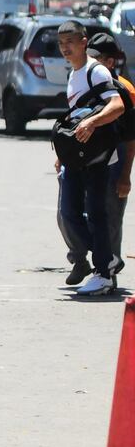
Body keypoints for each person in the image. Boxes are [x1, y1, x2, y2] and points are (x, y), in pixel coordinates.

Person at [54, 20, 125, 296]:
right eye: (61, 44)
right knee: (69, 213)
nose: (64, 48)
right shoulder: (74, 73)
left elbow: (117, 105)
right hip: (77, 157)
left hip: (97, 157)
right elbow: (74, 119)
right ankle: (106, 258)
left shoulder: (96, 72)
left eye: (69, 42)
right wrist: (63, 154)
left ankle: (104, 273)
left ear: (84, 42)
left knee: (96, 214)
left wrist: (92, 122)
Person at [70, 30, 131, 285]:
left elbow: (130, 139)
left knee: (109, 215)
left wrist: (125, 176)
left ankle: (108, 270)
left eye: (97, 58)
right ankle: (85, 259)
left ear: (110, 62)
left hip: (115, 162)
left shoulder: (125, 90)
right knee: (72, 213)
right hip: (85, 160)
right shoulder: (84, 78)